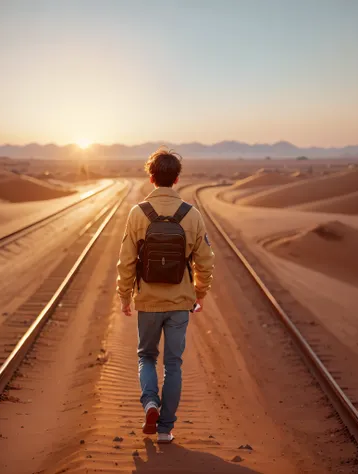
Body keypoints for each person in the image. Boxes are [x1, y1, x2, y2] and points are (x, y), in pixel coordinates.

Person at [116, 147, 215, 444]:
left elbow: (126, 262)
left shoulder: (138, 214)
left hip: (147, 301)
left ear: (151, 177)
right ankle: (165, 429)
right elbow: (205, 261)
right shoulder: (191, 214)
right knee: (173, 365)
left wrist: (124, 297)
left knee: (146, 356)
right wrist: (199, 294)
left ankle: (149, 403)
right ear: (177, 178)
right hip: (179, 304)